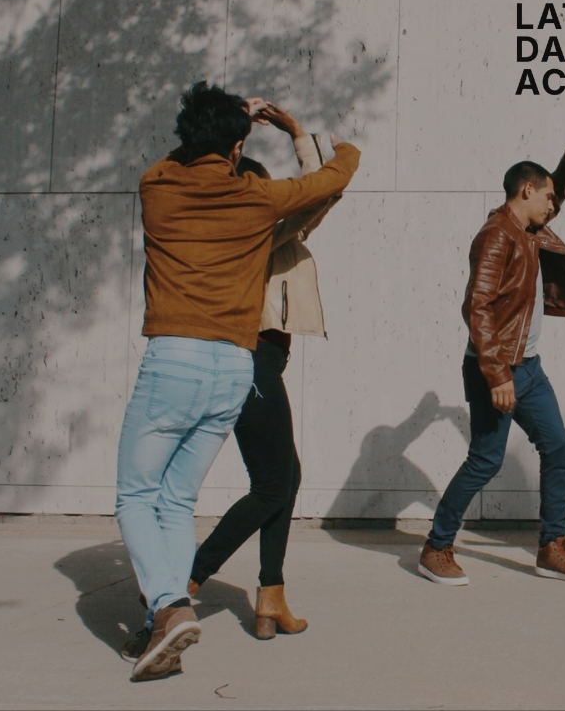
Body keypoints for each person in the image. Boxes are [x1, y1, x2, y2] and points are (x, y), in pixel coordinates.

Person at [115, 81, 359, 681]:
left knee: (136, 495)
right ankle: (176, 607)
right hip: (232, 365)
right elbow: (329, 181)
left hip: (175, 356)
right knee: (175, 498)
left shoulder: (157, 185)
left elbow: (167, 161)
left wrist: (226, 125)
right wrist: (330, 143)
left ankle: (168, 606)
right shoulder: (257, 200)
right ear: (237, 150)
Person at [183, 102, 341, 639]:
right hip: (250, 360)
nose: (276, 198)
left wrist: (233, 131)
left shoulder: (274, 232)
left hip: (262, 359)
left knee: (281, 477)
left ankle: (270, 594)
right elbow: (326, 187)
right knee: (276, 483)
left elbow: (318, 196)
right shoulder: (254, 233)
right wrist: (298, 132)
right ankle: (188, 577)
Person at [418, 132, 565, 586]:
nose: (554, 206)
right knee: (486, 459)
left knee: (557, 445)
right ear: (527, 191)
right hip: (495, 368)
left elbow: (552, 190)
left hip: (530, 368)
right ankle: (436, 546)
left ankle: (552, 546)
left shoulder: (529, 227)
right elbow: (476, 306)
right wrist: (497, 373)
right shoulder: (497, 235)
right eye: (548, 197)